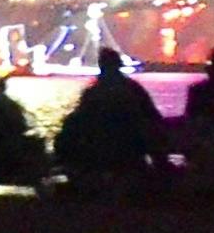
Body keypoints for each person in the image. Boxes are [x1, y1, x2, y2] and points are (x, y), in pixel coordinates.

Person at [53, 47, 170, 179]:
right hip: (129, 151)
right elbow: (152, 119)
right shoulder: (132, 89)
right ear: (119, 65)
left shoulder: (94, 92)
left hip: (103, 152)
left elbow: (79, 121)